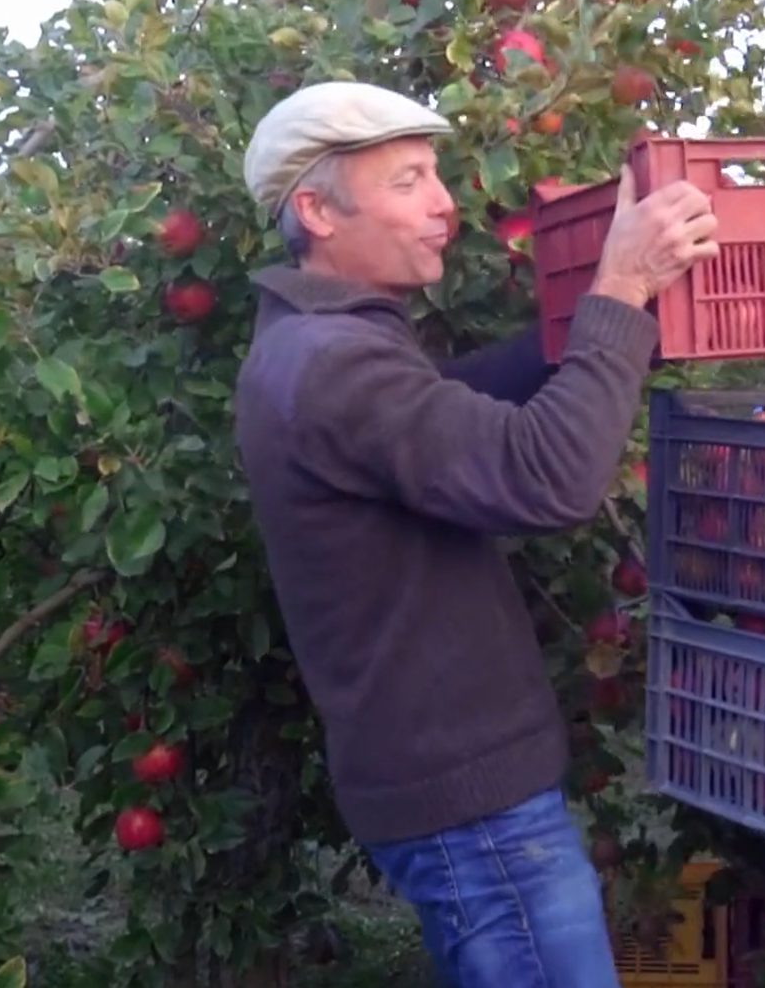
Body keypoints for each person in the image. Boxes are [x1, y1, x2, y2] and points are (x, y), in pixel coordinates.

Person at [231, 81, 719, 988]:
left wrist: (580, 338)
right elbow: (548, 476)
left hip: (461, 793)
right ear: (317, 211)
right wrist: (619, 288)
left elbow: (444, 412)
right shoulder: (334, 363)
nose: (445, 201)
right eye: (409, 179)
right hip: (476, 812)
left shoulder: (322, 345)